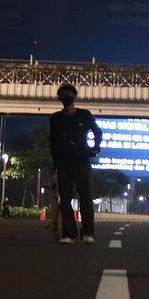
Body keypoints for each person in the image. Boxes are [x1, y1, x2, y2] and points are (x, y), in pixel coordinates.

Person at [49, 83, 103, 244]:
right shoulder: (55, 119)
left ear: (74, 96)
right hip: (63, 163)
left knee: (85, 197)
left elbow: (97, 131)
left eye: (69, 93)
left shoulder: (84, 115)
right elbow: (52, 142)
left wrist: (95, 147)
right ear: (59, 98)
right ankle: (69, 234)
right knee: (64, 199)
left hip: (82, 160)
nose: (66, 96)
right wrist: (55, 162)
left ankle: (88, 232)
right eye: (63, 94)